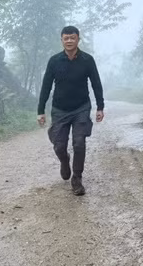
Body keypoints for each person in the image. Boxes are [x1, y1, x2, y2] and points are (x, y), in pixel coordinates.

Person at [37, 25, 104, 196]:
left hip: (81, 107)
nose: (69, 41)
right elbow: (45, 86)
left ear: (78, 39)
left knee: (79, 143)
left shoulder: (87, 60)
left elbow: (96, 83)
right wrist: (41, 110)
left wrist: (100, 107)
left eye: (72, 37)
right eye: (66, 38)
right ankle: (64, 161)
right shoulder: (54, 61)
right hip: (60, 109)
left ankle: (77, 179)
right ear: (61, 40)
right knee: (59, 146)